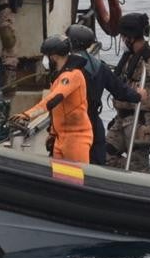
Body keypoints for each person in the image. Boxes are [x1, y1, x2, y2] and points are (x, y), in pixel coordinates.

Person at [7, 35, 93, 163]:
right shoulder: (58, 76)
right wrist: (52, 133)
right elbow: (58, 110)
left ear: (54, 57)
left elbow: (54, 99)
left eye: (46, 56)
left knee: (76, 179)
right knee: (60, 179)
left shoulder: (72, 75)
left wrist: (27, 115)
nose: (44, 60)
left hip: (76, 138)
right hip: (60, 137)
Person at [65, 23, 140, 165]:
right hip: (94, 122)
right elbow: (120, 91)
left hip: (74, 123)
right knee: (97, 161)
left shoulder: (67, 66)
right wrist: (138, 95)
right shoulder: (100, 66)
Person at [104, 12, 150, 172]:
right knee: (105, 155)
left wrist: (148, 60)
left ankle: (137, 175)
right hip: (121, 118)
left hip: (140, 120)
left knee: (138, 165)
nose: (121, 40)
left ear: (129, 37)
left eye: (122, 36)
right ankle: (125, 172)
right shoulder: (129, 57)